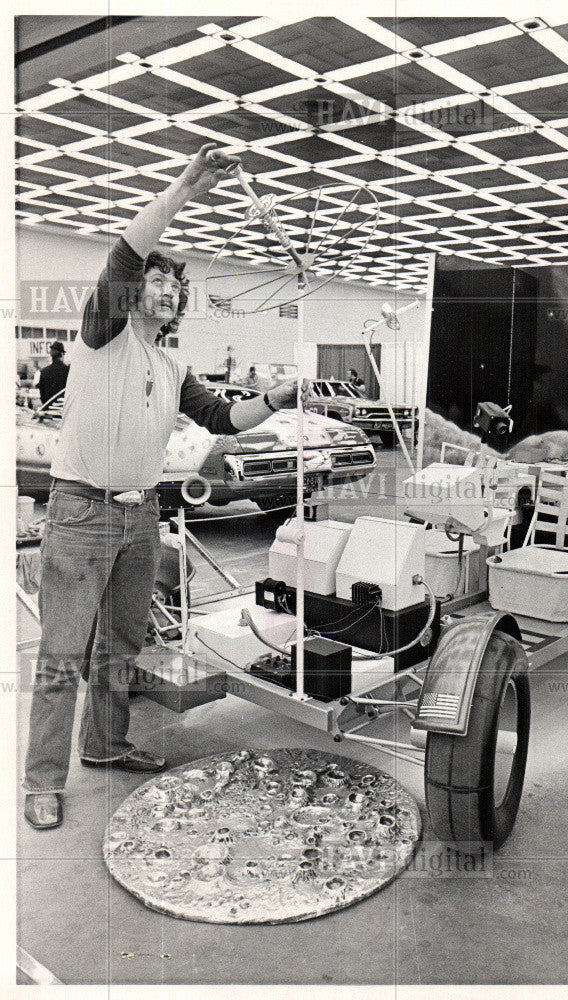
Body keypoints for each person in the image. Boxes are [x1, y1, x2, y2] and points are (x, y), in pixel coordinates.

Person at [23, 143, 303, 830]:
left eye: (176, 286)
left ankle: (107, 745)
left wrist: (277, 398)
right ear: (133, 292)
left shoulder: (173, 365)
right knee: (62, 655)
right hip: (81, 512)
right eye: (157, 280)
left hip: (141, 516)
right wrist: (187, 183)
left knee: (120, 647)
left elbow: (222, 418)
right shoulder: (103, 336)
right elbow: (123, 253)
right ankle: (40, 779)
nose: (168, 289)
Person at [37, 341, 70, 407]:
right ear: (62, 354)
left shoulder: (44, 371)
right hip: (63, 409)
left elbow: (42, 395)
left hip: (48, 409)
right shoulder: (67, 370)